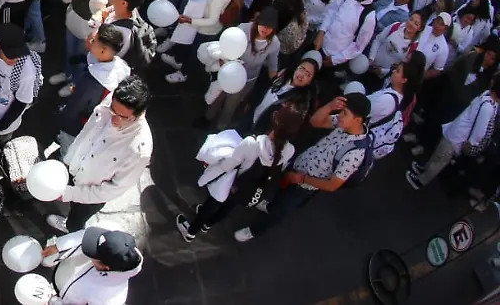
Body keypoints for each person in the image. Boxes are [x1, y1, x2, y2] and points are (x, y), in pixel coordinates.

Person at [236, 92, 373, 241]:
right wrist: (329, 106)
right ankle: (268, 205)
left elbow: (333, 185)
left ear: (357, 119)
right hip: (299, 163)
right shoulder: (343, 124)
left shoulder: (355, 153)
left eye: (345, 113)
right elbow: (315, 121)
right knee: (276, 190)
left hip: (304, 185)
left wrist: (302, 179)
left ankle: (254, 230)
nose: (340, 115)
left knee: (280, 210)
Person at [176, 102, 305, 241]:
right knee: (228, 207)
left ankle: (191, 232)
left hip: (231, 182)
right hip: (248, 188)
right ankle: (208, 224)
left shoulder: (251, 143)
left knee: (210, 205)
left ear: (275, 119)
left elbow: (229, 164)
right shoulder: (290, 150)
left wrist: (210, 165)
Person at [47, 75, 152, 234]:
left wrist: (70, 194)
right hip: (74, 167)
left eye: (122, 117)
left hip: (91, 194)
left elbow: (113, 189)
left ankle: (71, 232)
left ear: (139, 114)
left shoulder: (139, 149)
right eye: (112, 110)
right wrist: (69, 159)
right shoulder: (112, 102)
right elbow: (87, 133)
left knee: (77, 217)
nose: (113, 118)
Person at [407, 76, 499, 190]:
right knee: (438, 153)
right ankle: (424, 168)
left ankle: (420, 180)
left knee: (440, 160)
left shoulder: (487, 108)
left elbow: (479, 132)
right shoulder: (488, 99)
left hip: (458, 137)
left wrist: (470, 143)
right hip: (455, 130)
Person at [40, 227, 144, 305]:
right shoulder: (112, 236)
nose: (90, 247)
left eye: (93, 253)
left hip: (64, 299)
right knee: (47, 260)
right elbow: (85, 235)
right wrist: (59, 246)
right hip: (63, 270)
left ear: (105, 267)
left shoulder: (109, 300)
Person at [0, 23, 43, 144]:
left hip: (3, 128)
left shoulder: (27, 71)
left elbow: (19, 105)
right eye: (10, 55)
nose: (15, 59)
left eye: (18, 54)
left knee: (0, 149)